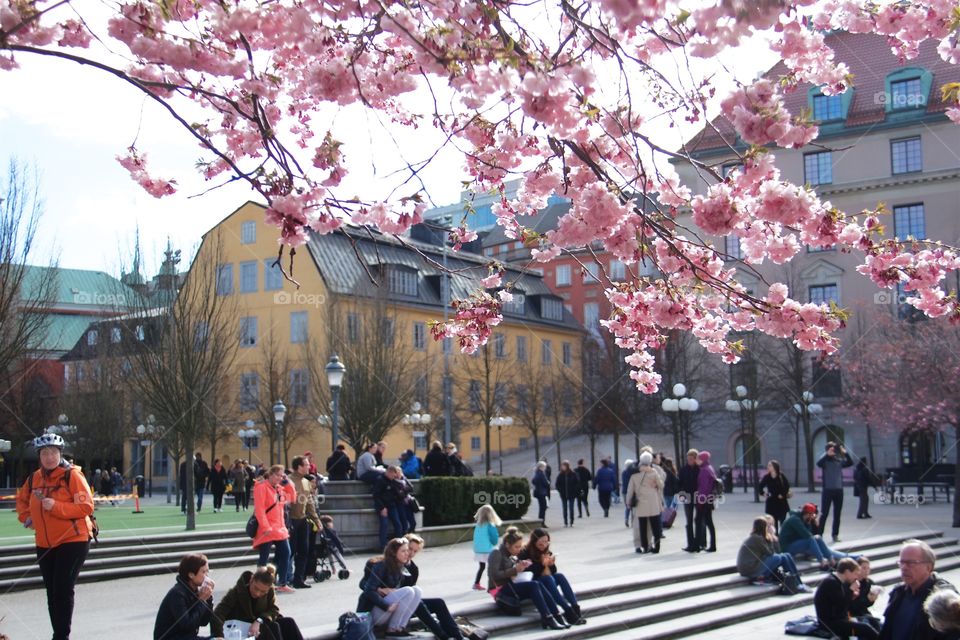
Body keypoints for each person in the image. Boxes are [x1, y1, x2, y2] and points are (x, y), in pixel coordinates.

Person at [16, 433, 95, 640]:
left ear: (60, 454)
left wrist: (56, 506)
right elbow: (21, 501)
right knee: (51, 592)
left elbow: (86, 506)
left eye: (53, 452)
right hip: (44, 542)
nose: (49, 457)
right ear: (39, 456)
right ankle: (58, 634)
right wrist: (27, 518)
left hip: (73, 540)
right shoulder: (34, 479)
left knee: (62, 588)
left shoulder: (72, 476)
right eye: (44, 453)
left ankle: (61, 636)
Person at [487, 527, 568, 630]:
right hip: (499, 589)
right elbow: (494, 575)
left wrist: (522, 565)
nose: (519, 549)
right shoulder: (496, 553)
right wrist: (515, 569)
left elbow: (512, 570)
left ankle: (556, 615)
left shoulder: (512, 555)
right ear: (507, 545)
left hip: (511, 585)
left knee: (537, 583)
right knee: (534, 585)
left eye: (520, 546)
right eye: (516, 547)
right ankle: (548, 617)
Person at [879, 539, 957, 640]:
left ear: (929, 567)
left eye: (911, 563)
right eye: (901, 562)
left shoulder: (942, 597)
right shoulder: (898, 593)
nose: (904, 567)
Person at [211, 565, 304, 640]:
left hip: (259, 623)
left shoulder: (270, 590)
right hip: (241, 629)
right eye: (255, 588)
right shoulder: (236, 592)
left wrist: (259, 621)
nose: (257, 593)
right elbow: (218, 614)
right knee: (272, 627)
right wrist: (220, 636)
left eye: (263, 592)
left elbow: (274, 609)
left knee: (288, 623)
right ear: (251, 580)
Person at [403, 534, 466, 640]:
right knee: (418, 603)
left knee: (438, 603)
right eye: (410, 549)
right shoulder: (392, 563)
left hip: (410, 604)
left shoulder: (413, 568)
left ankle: (458, 637)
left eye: (415, 551)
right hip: (394, 605)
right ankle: (443, 636)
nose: (411, 553)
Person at [358, 538, 423, 638]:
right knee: (409, 590)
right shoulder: (381, 565)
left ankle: (399, 628)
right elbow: (368, 590)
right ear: (393, 553)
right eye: (404, 551)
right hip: (373, 613)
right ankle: (392, 630)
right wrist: (386, 605)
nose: (408, 553)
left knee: (417, 590)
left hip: (389, 611)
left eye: (408, 550)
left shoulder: (401, 566)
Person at [519, 528, 587, 625]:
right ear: (534, 541)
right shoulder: (525, 552)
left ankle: (575, 608)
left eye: (546, 542)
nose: (544, 545)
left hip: (547, 580)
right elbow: (529, 572)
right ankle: (567, 610)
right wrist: (542, 564)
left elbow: (554, 571)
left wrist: (550, 564)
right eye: (541, 542)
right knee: (548, 579)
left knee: (559, 576)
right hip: (535, 583)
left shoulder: (547, 551)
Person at [252, 464, 294, 593]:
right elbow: (259, 510)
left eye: (282, 476)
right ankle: (259, 584)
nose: (280, 478)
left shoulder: (280, 488)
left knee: (286, 553)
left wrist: (288, 483)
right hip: (268, 529)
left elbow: (292, 497)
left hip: (279, 528)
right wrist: (265, 527)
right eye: (277, 475)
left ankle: (282, 582)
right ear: (270, 474)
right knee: (264, 557)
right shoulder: (261, 488)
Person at [154, 553, 216, 640]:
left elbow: (204, 621)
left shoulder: (194, 591)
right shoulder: (177, 594)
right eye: (203, 572)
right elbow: (187, 625)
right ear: (191, 575)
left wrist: (208, 598)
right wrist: (201, 601)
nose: (207, 576)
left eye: (207, 571)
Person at [736, 516, 808, 589]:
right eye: (768, 526)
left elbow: (778, 551)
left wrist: (773, 538)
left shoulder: (758, 537)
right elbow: (770, 553)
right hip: (749, 570)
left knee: (786, 555)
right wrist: (771, 537)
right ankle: (795, 583)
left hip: (753, 566)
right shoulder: (756, 538)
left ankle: (798, 582)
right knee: (778, 558)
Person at [815, 557, 879, 639]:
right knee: (866, 629)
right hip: (829, 624)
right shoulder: (831, 583)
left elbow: (842, 604)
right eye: (855, 574)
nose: (856, 577)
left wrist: (852, 595)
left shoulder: (835, 581)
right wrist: (851, 591)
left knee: (872, 622)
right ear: (847, 572)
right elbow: (842, 606)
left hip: (837, 620)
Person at [779, 503, 850, 569]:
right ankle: (822, 562)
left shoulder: (802, 519)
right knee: (811, 539)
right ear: (807, 514)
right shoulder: (795, 520)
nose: (813, 517)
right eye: (812, 515)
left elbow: (810, 534)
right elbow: (807, 535)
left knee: (818, 538)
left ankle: (832, 561)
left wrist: (810, 522)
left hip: (796, 543)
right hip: (787, 547)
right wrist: (810, 522)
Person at [288, 455, 320, 589]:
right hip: (290, 521)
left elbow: (310, 502)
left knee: (303, 550)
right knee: (289, 551)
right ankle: (284, 577)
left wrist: (316, 519)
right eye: (306, 464)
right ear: (299, 467)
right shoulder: (288, 481)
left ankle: (298, 579)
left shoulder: (306, 482)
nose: (309, 466)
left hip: (303, 520)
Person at [626, 452, 664, 554]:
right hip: (653, 503)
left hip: (641, 503)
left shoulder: (634, 475)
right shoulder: (654, 472)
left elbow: (630, 490)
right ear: (650, 461)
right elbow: (661, 486)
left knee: (642, 527)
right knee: (655, 526)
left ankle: (645, 547)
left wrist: (628, 502)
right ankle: (657, 547)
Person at [817, 441, 853, 542]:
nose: (834, 451)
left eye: (834, 449)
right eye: (831, 449)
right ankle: (819, 534)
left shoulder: (838, 460)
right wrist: (827, 454)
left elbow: (850, 463)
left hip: (839, 490)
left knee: (837, 514)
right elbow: (818, 464)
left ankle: (835, 534)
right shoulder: (824, 461)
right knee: (824, 513)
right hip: (827, 490)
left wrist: (845, 453)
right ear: (827, 450)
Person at [373, 466, 405, 549]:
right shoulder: (380, 480)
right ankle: (383, 546)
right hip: (382, 506)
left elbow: (398, 493)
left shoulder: (393, 481)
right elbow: (376, 495)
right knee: (384, 524)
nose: (393, 477)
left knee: (398, 524)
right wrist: (382, 508)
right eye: (393, 475)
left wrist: (399, 479)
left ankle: (400, 545)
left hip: (392, 505)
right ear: (389, 472)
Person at [473, 504, 501, 590]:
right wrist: (495, 543)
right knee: (493, 567)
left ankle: (476, 583)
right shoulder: (490, 525)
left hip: (478, 550)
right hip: (488, 550)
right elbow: (494, 538)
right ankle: (494, 584)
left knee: (482, 567)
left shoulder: (478, 525)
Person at [758, 459, 791, 532]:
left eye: (770, 465)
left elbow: (787, 486)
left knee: (783, 522)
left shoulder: (781, 476)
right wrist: (763, 493)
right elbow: (760, 487)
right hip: (771, 502)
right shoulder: (767, 477)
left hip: (781, 502)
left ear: (774, 467)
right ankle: (775, 538)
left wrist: (783, 495)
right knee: (773, 523)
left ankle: (782, 537)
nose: (768, 467)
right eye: (768, 465)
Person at [694, 450, 718, 553]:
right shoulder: (710, 468)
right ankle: (712, 545)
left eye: (698, 458)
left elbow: (703, 488)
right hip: (709, 500)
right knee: (709, 523)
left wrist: (700, 502)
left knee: (699, 521)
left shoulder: (704, 470)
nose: (696, 460)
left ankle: (698, 545)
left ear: (702, 459)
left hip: (704, 501)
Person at [851, 556, 882, 632]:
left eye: (868, 568)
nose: (867, 571)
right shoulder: (852, 582)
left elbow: (867, 605)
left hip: (864, 613)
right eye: (864, 568)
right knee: (867, 627)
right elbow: (852, 605)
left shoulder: (869, 583)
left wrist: (872, 600)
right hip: (852, 614)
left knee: (881, 626)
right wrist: (867, 600)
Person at [678, 449, 700, 552]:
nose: (689, 461)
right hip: (687, 496)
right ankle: (690, 544)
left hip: (698, 496)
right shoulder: (683, 470)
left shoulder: (699, 469)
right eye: (688, 459)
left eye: (691, 459)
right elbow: (680, 484)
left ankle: (700, 543)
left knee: (699, 520)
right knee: (689, 521)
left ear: (696, 459)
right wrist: (681, 495)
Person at [555, 460, 579, 528]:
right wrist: (560, 490)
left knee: (571, 508)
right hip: (563, 495)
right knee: (565, 509)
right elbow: (557, 484)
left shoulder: (573, 474)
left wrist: (574, 490)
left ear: (567, 466)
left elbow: (577, 483)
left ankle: (571, 522)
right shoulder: (560, 475)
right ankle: (565, 522)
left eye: (564, 466)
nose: (562, 467)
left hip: (572, 495)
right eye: (562, 466)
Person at [532, 461, 551, 527]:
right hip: (542, 493)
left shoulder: (536, 473)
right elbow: (546, 483)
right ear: (541, 467)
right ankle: (541, 522)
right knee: (543, 508)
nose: (545, 468)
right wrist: (548, 483)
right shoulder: (541, 474)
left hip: (538, 492)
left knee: (542, 507)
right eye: (544, 467)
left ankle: (541, 521)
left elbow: (533, 481)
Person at [621, 459, 638, 528]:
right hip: (632, 490)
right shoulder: (633, 473)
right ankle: (633, 521)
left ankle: (626, 519)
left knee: (627, 506)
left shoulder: (623, 473)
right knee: (633, 506)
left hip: (624, 491)